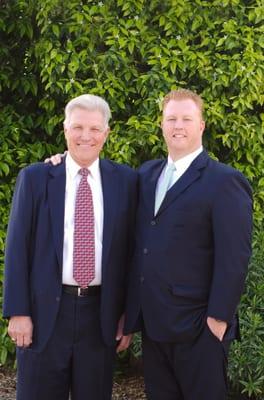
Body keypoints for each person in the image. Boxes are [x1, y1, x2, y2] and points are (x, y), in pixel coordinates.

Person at [3, 94, 137, 400]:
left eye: (94, 128)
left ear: (106, 133)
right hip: (44, 313)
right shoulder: (36, 178)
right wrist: (18, 311)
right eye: (77, 127)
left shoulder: (127, 182)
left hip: (101, 315)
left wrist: (128, 314)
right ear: (65, 130)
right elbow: (17, 247)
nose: (85, 136)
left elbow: (132, 252)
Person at [124, 89, 253, 399]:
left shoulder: (224, 181)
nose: (178, 125)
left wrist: (218, 320)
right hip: (155, 327)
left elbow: (234, 257)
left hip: (200, 329)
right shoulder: (146, 175)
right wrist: (61, 163)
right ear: (162, 124)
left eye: (186, 118)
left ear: (201, 126)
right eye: (171, 119)